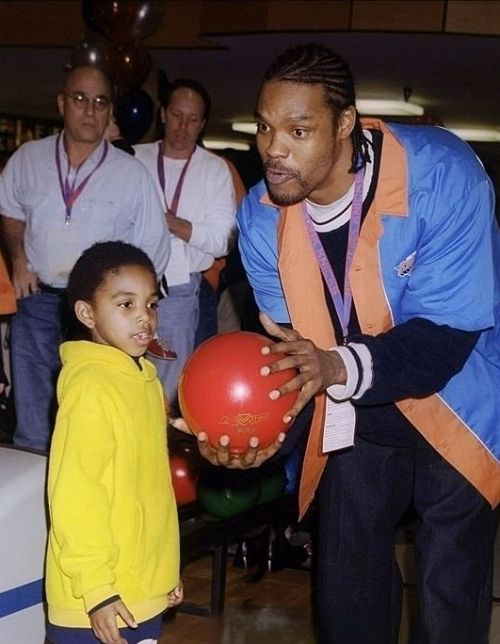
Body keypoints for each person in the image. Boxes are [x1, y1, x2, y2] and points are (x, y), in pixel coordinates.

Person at [183, 44, 500, 643]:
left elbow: (446, 338)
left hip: (459, 404)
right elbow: (292, 358)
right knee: (347, 599)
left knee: (447, 600)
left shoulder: (445, 175)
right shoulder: (258, 217)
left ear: (346, 125)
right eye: (266, 127)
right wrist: (263, 437)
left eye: (299, 130)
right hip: (353, 415)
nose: (274, 148)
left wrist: (331, 365)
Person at [0, 65, 170, 452]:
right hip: (38, 301)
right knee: (32, 419)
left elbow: (151, 249)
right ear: (62, 103)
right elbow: (10, 209)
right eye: (80, 99)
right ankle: (32, 501)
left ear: (111, 111)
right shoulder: (28, 158)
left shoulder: (131, 174)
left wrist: (127, 308)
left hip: (98, 313)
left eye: (100, 102)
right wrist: (19, 257)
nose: (90, 111)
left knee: (94, 411)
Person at [45, 241, 182, 644]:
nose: (144, 318)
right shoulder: (90, 387)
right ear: (87, 313)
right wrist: (97, 589)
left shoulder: (144, 379)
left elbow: (149, 489)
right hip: (97, 601)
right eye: (126, 305)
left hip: (140, 589)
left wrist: (164, 572)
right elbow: (74, 496)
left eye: (151, 304)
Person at [134, 78, 236, 407]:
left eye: (193, 119)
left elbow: (221, 241)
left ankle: (158, 450)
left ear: (203, 124)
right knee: (125, 372)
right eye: (177, 115)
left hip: (181, 289)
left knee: (165, 387)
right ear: (163, 113)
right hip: (129, 281)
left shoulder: (214, 169)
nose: (183, 126)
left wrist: (171, 223)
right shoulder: (133, 158)